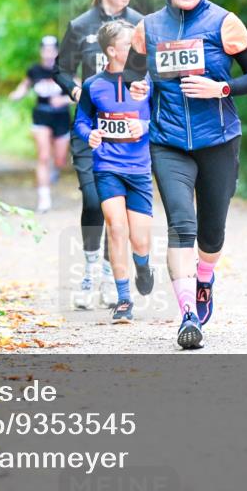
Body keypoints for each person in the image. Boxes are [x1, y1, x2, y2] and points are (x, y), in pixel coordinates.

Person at [128, 0, 247, 349]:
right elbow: (138, 78)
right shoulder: (149, 28)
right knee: (181, 224)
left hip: (218, 140)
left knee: (212, 232)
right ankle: (188, 315)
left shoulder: (224, 22)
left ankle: (205, 278)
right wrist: (140, 88)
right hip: (167, 141)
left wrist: (220, 88)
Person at [55, 0, 144, 309]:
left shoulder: (139, 24)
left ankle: (110, 273)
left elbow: (148, 71)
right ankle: (91, 270)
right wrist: (77, 91)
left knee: (116, 206)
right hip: (91, 127)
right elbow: (60, 70)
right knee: (94, 200)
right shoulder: (80, 25)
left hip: (127, 132)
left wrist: (143, 93)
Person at [73, 20, 155, 322]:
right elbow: (81, 120)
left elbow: (162, 119)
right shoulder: (93, 86)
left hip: (139, 169)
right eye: (128, 43)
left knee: (140, 240)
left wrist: (143, 126)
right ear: (111, 50)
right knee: (116, 228)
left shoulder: (146, 82)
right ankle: (123, 300)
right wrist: (88, 135)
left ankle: (143, 266)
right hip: (107, 167)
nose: (135, 48)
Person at [8, 35, 71, 213]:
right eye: (45, 50)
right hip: (41, 116)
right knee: (43, 157)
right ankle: (44, 199)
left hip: (61, 118)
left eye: (52, 50)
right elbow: (24, 86)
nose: (48, 53)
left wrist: (63, 100)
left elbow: (80, 93)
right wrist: (17, 94)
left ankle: (54, 169)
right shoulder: (34, 70)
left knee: (59, 159)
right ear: (41, 51)